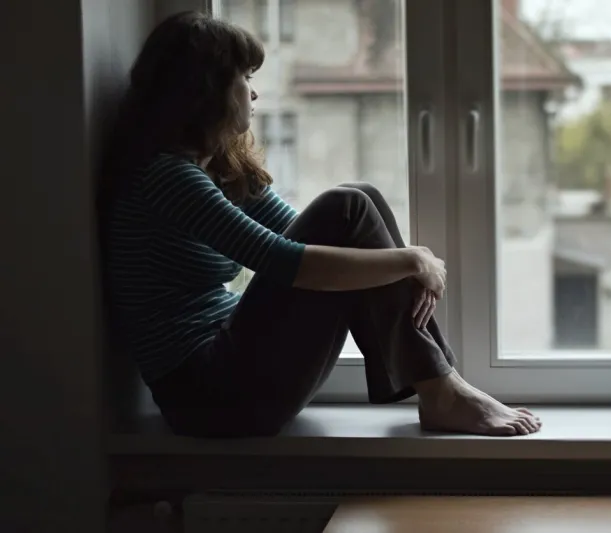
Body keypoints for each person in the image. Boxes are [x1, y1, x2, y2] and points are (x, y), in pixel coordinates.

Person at [101, 10, 541, 438]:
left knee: (360, 199)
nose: (254, 95)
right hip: (209, 398)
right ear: (208, 90)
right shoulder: (167, 178)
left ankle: (442, 387)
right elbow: (286, 261)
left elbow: (306, 234)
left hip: (231, 373)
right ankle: (442, 390)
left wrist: (400, 262)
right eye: (246, 79)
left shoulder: (216, 168)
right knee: (348, 206)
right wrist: (411, 260)